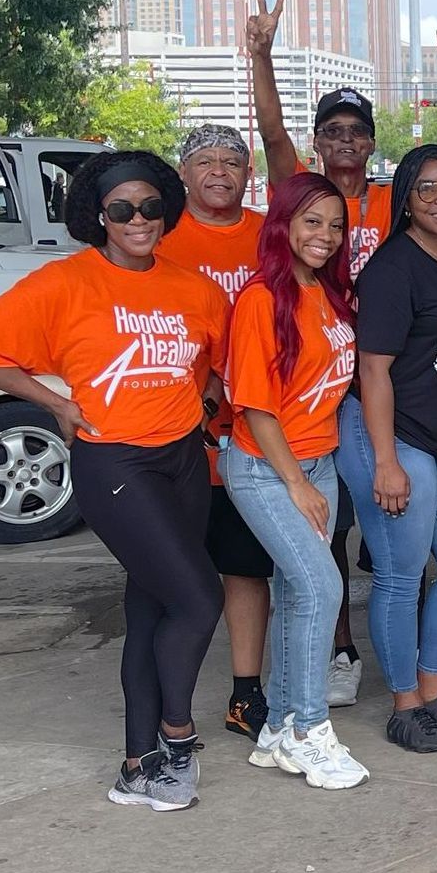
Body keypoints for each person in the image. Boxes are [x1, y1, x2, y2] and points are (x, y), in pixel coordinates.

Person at [0, 151, 228, 812]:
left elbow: (211, 364)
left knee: (151, 609)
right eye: (122, 209)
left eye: (152, 207)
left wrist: (204, 401)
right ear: (97, 217)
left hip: (184, 457)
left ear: (167, 210)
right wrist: (53, 403)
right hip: (116, 464)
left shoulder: (195, 288)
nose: (139, 220)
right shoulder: (64, 283)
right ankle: (178, 739)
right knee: (199, 599)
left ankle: (136, 765)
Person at [247, 0, 437, 705]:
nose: (345, 142)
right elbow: (273, 137)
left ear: (373, 141)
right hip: (328, 389)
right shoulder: (313, 197)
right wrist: (261, 56)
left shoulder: (387, 201)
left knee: (398, 540)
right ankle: (341, 650)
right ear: (319, 142)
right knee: (334, 532)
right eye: (333, 132)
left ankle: (408, 664)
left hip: (381, 384)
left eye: (356, 131)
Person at [335, 144, 437, 754]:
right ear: (405, 200)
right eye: (427, 189)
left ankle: (433, 692)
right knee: (401, 575)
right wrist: (384, 462)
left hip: (434, 439)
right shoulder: (393, 270)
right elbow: (372, 372)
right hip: (386, 433)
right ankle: (404, 705)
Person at [224, 172, 367, 789]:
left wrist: (316, 475)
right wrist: (298, 484)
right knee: (322, 589)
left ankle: (280, 726)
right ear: (282, 223)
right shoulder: (261, 299)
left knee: (294, 594)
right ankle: (311, 731)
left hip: (319, 462)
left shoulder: (329, 295)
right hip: (265, 469)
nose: (326, 236)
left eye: (336, 225)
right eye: (312, 222)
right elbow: (255, 407)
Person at [159, 124, 274, 742]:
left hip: (251, 435)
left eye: (232, 160)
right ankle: (163, 700)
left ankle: (245, 695)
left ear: (247, 171)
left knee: (244, 569)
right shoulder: (161, 237)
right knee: (169, 575)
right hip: (178, 435)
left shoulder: (269, 237)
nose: (220, 170)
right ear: (185, 173)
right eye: (205, 160)